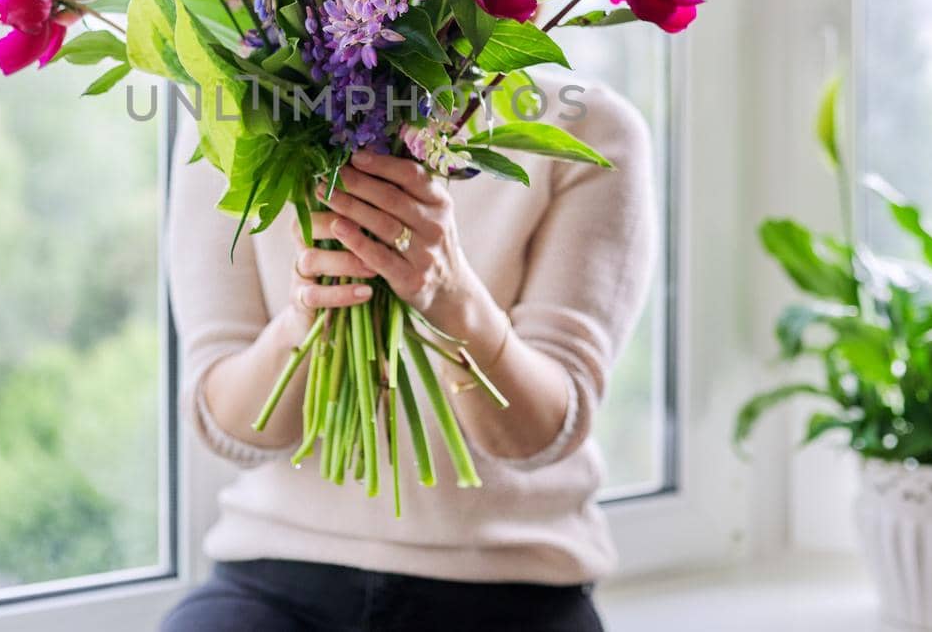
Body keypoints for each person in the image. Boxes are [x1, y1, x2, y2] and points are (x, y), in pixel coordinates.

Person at [160, 79, 656, 632]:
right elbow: (228, 424)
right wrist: (311, 312)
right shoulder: (235, 108)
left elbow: (539, 434)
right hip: (277, 579)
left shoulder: (588, 128)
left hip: (511, 586)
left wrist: (453, 298)